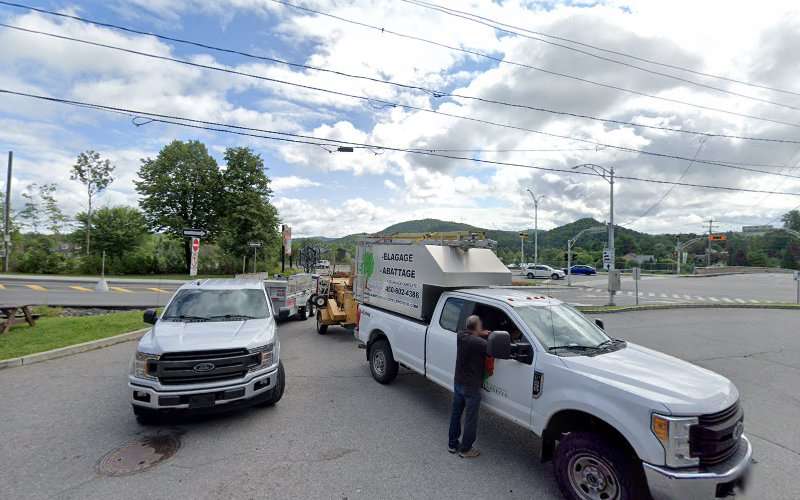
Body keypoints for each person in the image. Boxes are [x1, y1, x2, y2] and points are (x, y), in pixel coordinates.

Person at [448, 314, 489, 458]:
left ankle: (452, 444)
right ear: (477, 327)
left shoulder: (461, 336)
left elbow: (471, 334)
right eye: (480, 326)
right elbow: (492, 348)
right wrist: (486, 335)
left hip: (458, 383)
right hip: (471, 387)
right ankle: (466, 450)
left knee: (456, 414)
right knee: (470, 419)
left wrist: (480, 332)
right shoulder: (479, 343)